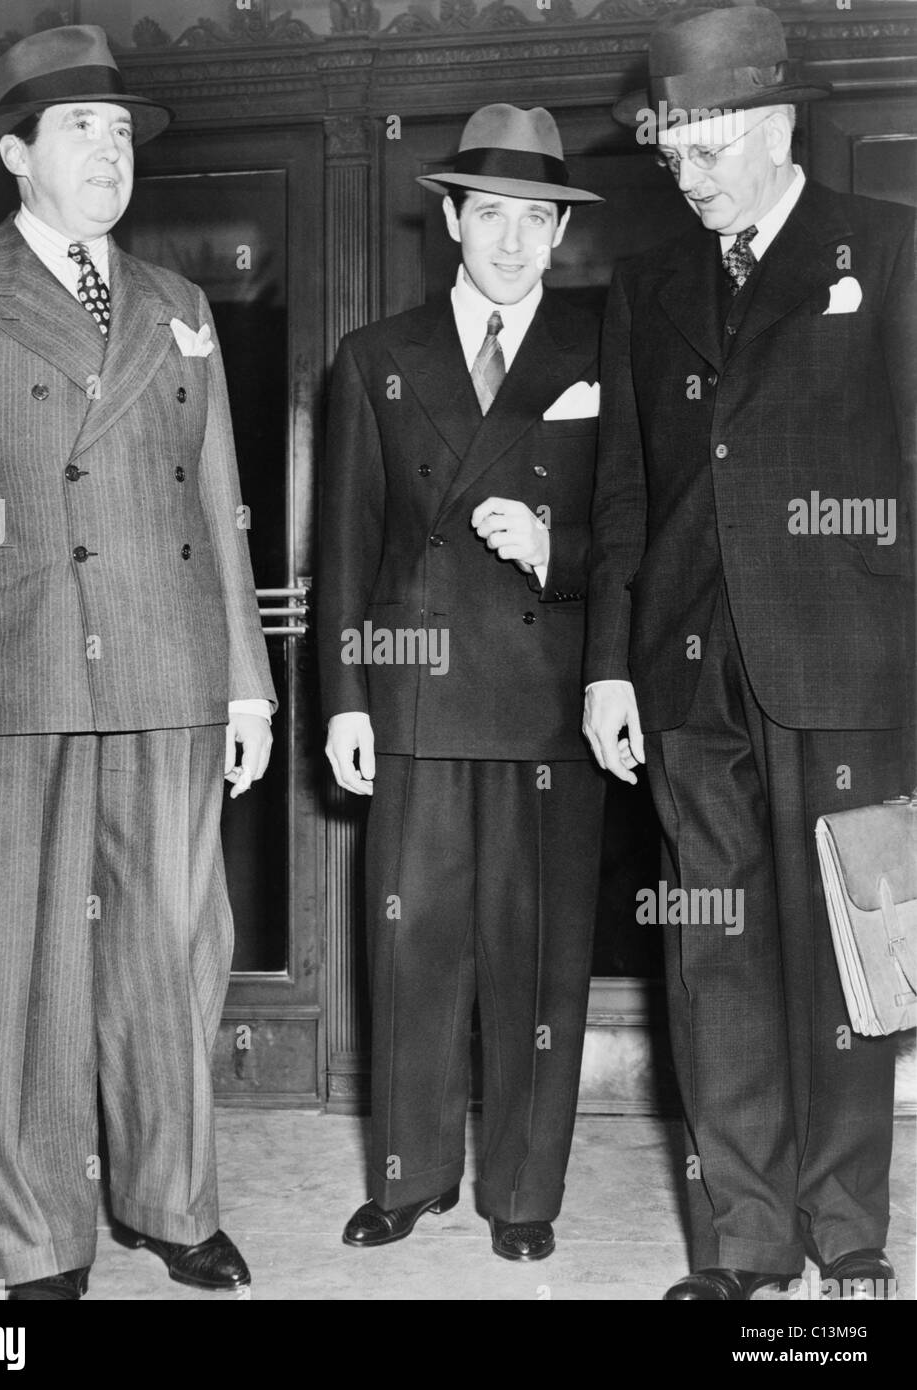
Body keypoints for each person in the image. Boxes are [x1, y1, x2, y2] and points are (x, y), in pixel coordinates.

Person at [0, 25, 276, 1300]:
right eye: (81, 132)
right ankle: (44, 1240)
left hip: (168, 667)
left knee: (172, 951)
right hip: (15, 675)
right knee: (28, 970)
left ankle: (172, 1201)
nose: (109, 154)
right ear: (14, 155)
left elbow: (218, 507)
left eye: (121, 135)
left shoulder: (180, 303)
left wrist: (249, 681)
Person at [583, 6, 915, 1301]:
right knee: (710, 941)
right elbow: (622, 494)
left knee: (844, 941)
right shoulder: (641, 287)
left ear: (775, 126)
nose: (682, 172)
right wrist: (609, 663)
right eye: (669, 151)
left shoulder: (882, 250)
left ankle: (846, 1233)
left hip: (847, 658)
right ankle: (739, 1240)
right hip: (681, 668)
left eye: (704, 145)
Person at [317, 104, 606, 1262]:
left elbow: (640, 525)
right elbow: (341, 547)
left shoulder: (604, 350)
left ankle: (523, 1195)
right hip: (414, 695)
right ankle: (410, 1175)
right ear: (449, 219)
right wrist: (341, 698)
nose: (512, 241)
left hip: (551, 697)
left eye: (534, 219)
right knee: (412, 944)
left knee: (537, 960)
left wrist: (556, 541)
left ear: (555, 231)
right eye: (490, 214)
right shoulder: (375, 358)